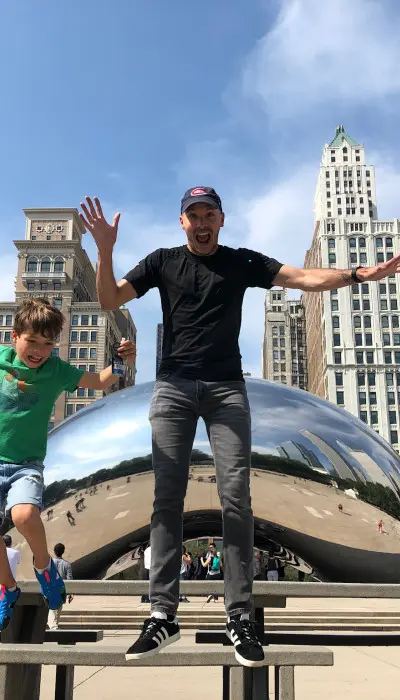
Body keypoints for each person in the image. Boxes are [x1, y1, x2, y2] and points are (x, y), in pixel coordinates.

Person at [79, 188, 400, 667]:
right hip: (173, 388)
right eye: (194, 215)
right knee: (167, 498)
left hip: (228, 389)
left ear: (222, 220)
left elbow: (303, 276)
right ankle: (163, 614)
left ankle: (239, 616)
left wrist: (360, 273)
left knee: (236, 498)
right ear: (182, 222)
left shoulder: (240, 261)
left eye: (210, 214)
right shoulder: (161, 262)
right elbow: (108, 299)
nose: (202, 222)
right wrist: (105, 250)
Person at [0, 297, 135, 630]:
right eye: (32, 341)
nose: (39, 351)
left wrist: (122, 363)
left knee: (24, 514)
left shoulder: (56, 370)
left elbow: (99, 382)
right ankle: (8, 589)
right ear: (15, 336)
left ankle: (44, 567)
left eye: (48, 344)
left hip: (26, 464)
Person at [48, 543, 73, 630]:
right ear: (63, 552)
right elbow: (69, 580)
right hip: (61, 589)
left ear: (54, 551)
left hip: (50, 588)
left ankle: (53, 626)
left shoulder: (49, 564)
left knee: (53, 607)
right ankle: (54, 626)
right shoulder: (67, 564)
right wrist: (70, 593)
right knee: (58, 608)